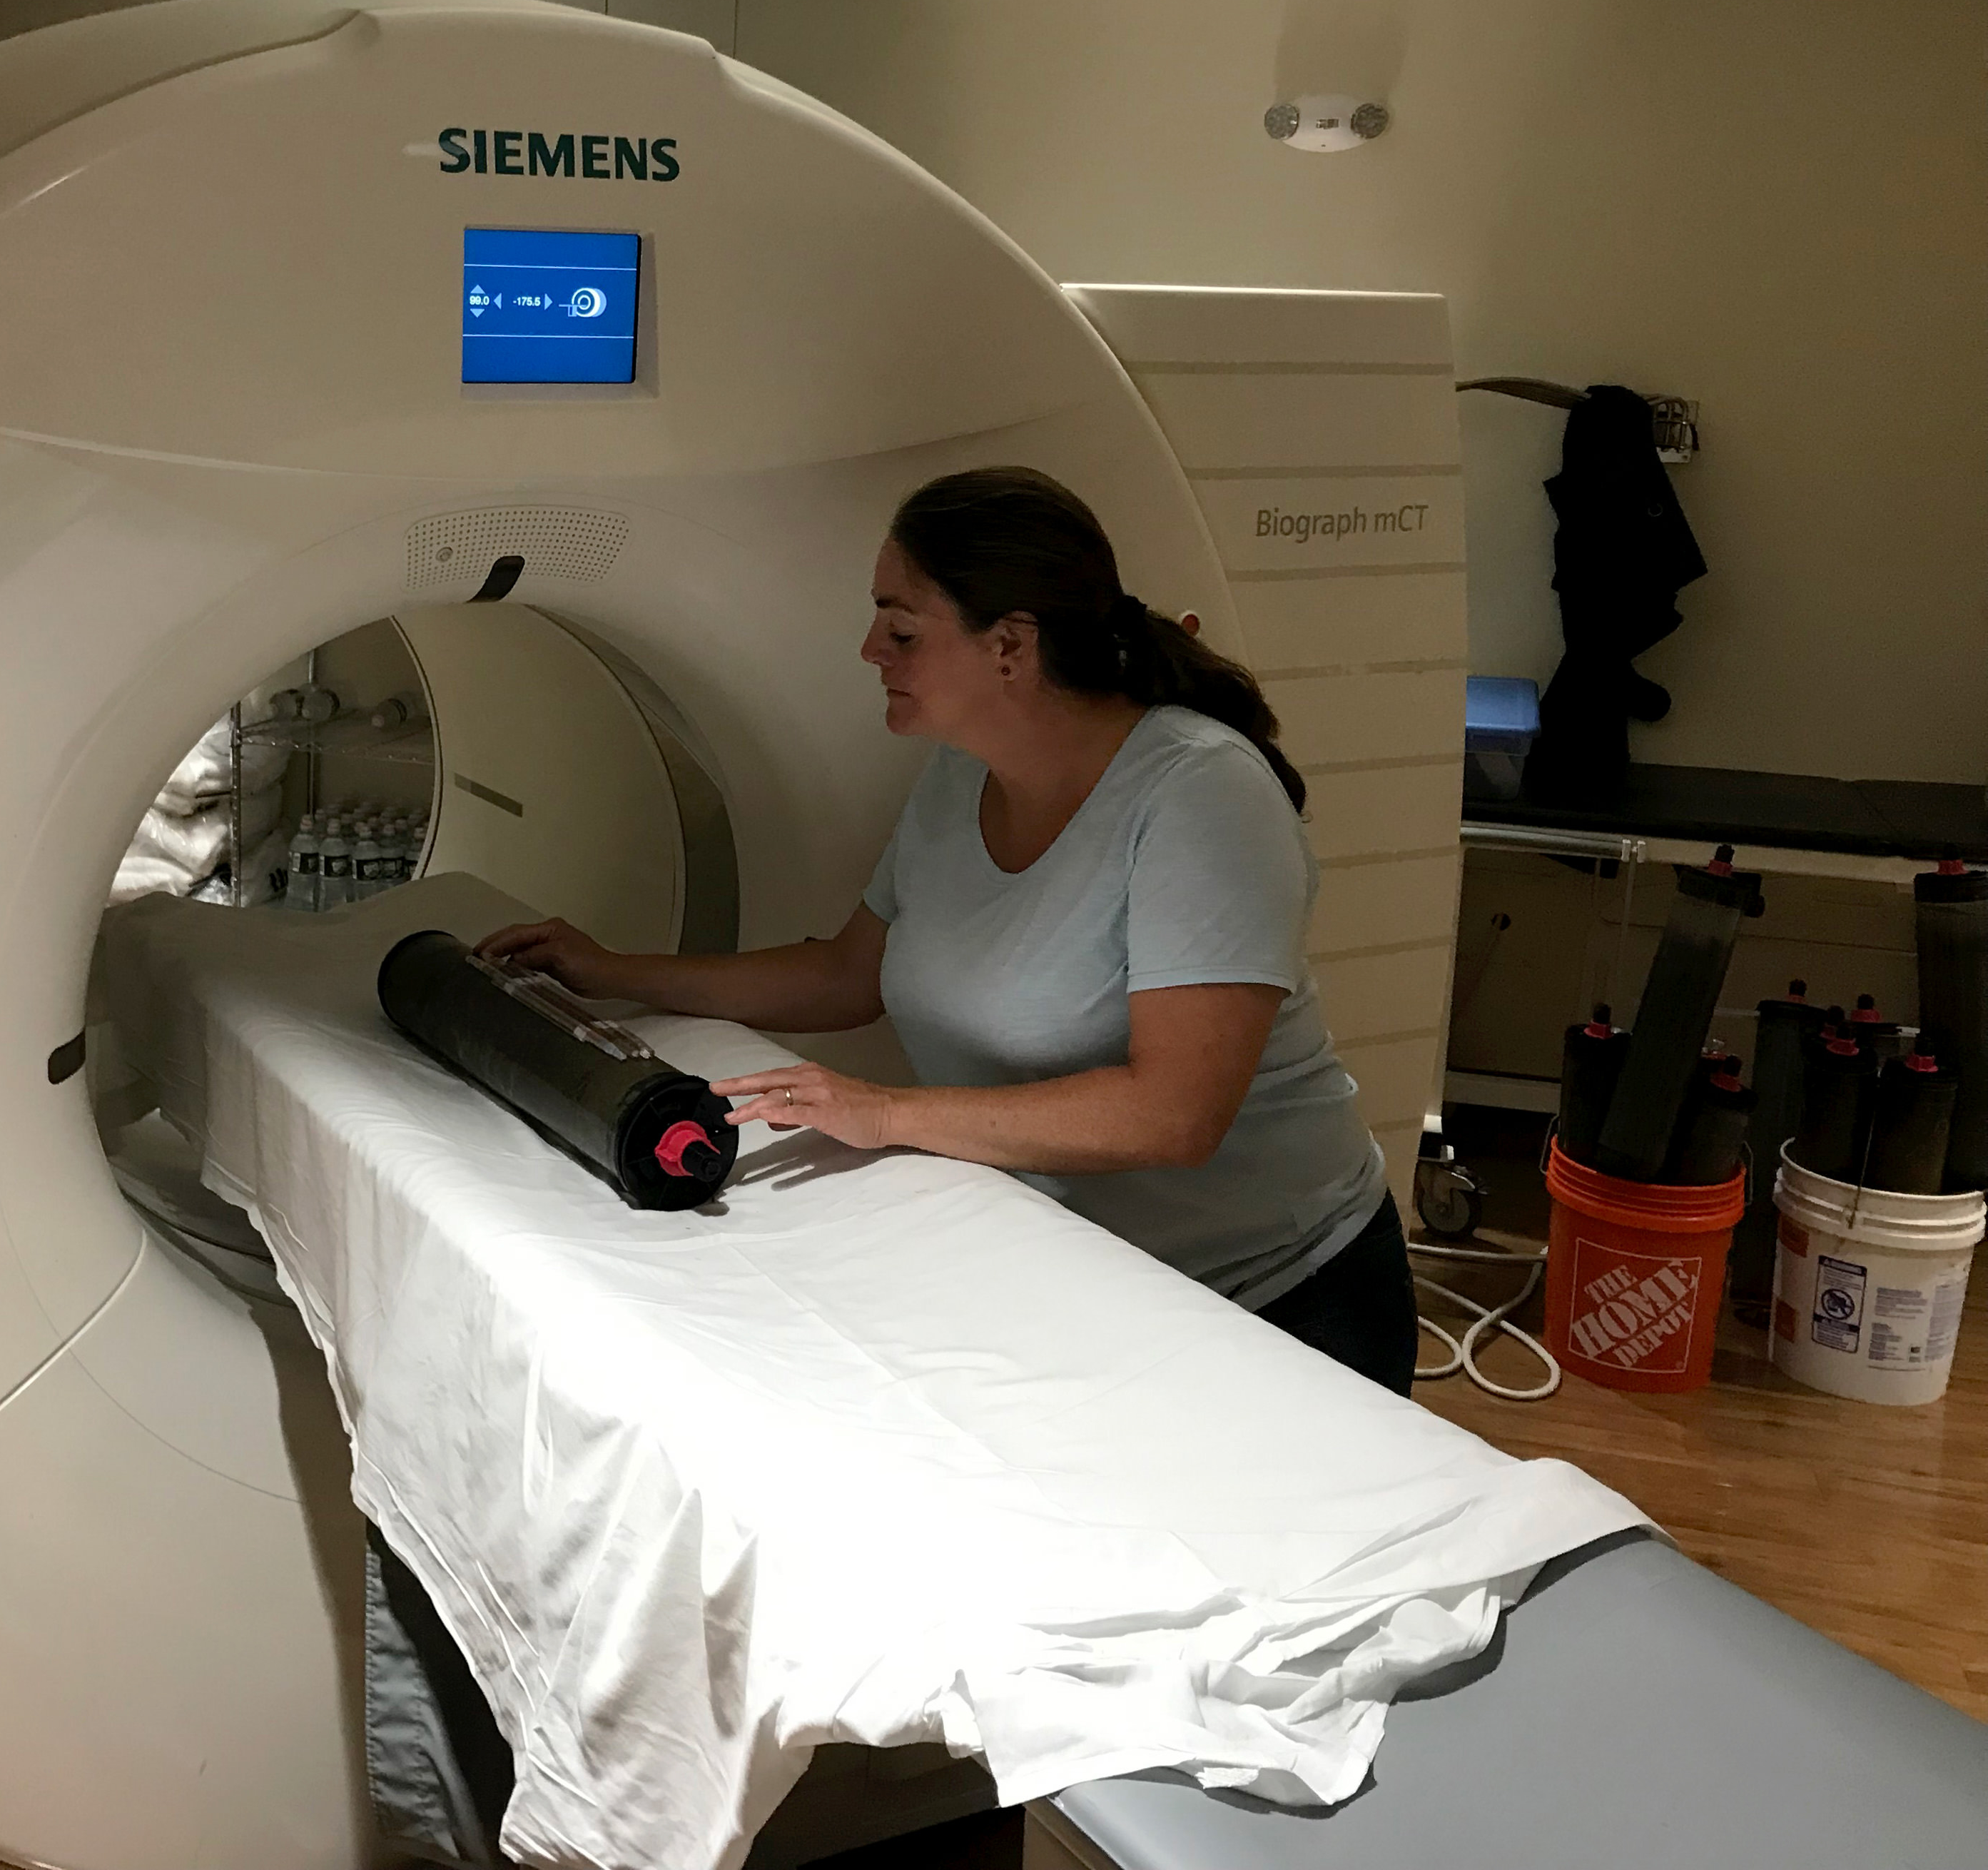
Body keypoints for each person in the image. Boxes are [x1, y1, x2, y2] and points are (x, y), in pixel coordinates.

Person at [477, 466, 1416, 1395]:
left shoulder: (1202, 797)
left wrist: (885, 1113)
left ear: (1010, 645)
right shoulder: (959, 777)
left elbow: (1172, 1114)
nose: (868, 651)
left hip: (1283, 1305)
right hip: (1087, 1275)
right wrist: (613, 971)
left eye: (901, 628)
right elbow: (850, 974)